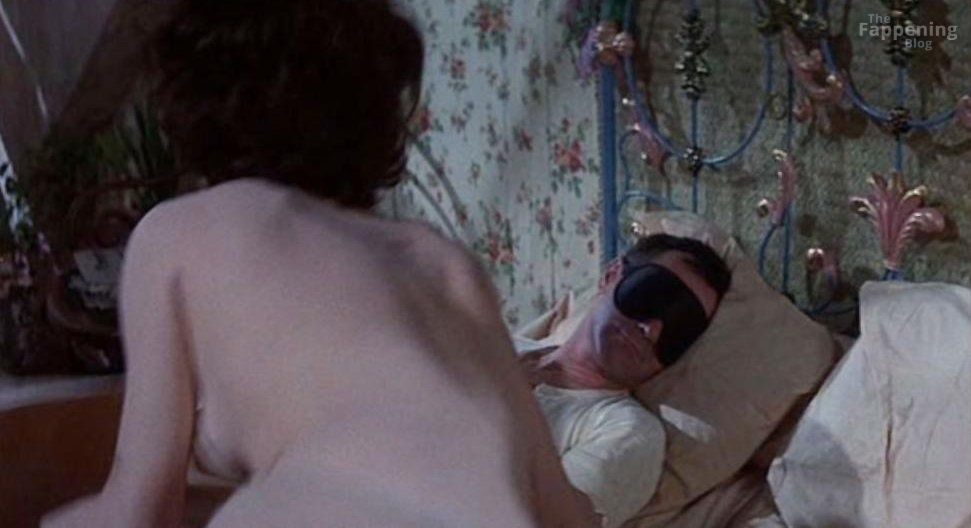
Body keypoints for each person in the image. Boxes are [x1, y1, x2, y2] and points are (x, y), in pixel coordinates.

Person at [42, 2, 598, 527]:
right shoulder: (440, 260)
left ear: (193, 99)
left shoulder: (176, 232)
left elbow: (141, 507)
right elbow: (562, 512)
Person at [520, 234, 732, 528]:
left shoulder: (627, 431)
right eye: (654, 296)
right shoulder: (501, 346)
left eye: (680, 329)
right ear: (611, 275)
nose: (652, 331)